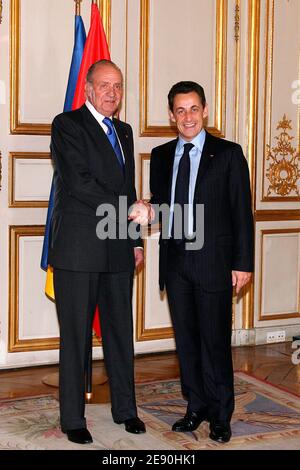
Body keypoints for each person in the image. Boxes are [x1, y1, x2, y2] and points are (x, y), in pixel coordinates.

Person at [49, 59, 151, 444]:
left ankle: (126, 410)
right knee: (75, 336)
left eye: (119, 86)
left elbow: (128, 186)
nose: (112, 92)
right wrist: (129, 210)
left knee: (120, 333)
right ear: (88, 88)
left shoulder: (124, 131)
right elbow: (79, 184)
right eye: (104, 85)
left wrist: (136, 240)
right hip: (78, 249)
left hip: (118, 247)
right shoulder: (67, 124)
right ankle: (73, 418)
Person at [150, 81, 254, 443]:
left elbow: (242, 213)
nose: (187, 117)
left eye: (194, 109)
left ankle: (221, 414)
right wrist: (144, 212)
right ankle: (195, 406)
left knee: (215, 342)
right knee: (188, 341)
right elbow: (161, 206)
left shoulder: (228, 154)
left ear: (205, 110)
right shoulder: (161, 155)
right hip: (176, 262)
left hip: (214, 261)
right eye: (180, 110)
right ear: (171, 116)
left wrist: (242, 263)